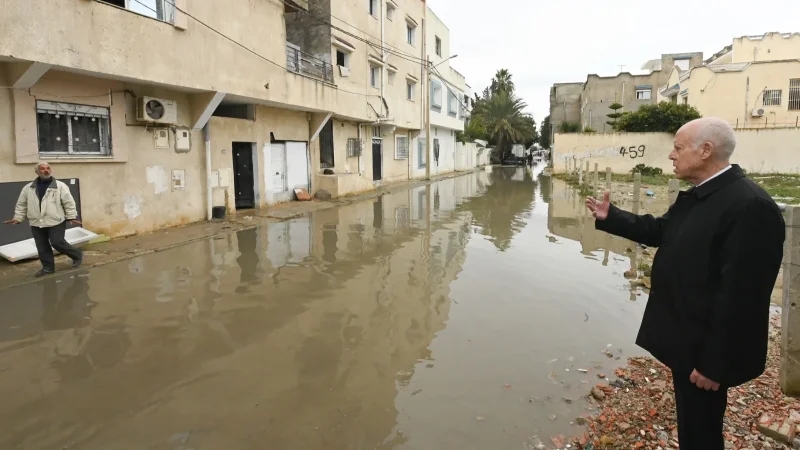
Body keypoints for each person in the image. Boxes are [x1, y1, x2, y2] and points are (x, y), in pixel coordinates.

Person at [585, 117, 784, 450]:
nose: (671, 155)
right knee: (693, 427)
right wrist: (612, 217)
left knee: (701, 432)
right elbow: (662, 231)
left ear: (705, 150)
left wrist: (714, 365)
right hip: (688, 338)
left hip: (708, 350)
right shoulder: (701, 195)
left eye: (678, 148)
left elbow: (744, 297)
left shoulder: (750, 206)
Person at [4, 162, 84, 277]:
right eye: (42, 169)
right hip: (36, 222)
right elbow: (22, 204)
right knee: (42, 246)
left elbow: (68, 202)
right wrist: (18, 217)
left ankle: (76, 255)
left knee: (57, 242)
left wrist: (71, 216)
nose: (46, 171)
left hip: (56, 220)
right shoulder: (28, 188)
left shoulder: (60, 186)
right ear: (37, 172)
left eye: (48, 168)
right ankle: (48, 268)